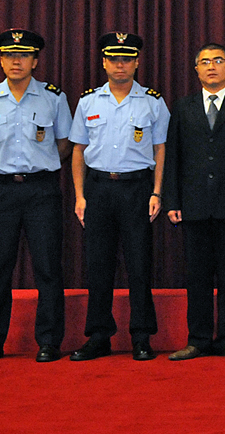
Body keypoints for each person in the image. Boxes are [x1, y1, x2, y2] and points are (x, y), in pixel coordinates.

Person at [0, 28, 72, 363]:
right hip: (2, 192)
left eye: (24, 55)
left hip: (42, 190)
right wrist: (6, 168)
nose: (16, 61)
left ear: (35, 61)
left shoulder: (53, 98)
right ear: (0, 60)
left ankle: (49, 341)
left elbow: (65, 145)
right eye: (10, 55)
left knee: (48, 267)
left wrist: (36, 167)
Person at [68, 32, 170, 361]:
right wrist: (80, 196)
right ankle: (99, 336)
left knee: (139, 264)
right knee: (98, 265)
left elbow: (160, 149)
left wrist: (157, 191)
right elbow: (78, 150)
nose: (120, 65)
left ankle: (141, 335)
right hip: (98, 188)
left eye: (126, 59)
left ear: (137, 62)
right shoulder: (88, 102)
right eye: (114, 59)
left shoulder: (152, 101)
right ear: (104, 62)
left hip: (137, 188)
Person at [163, 43, 225, 361]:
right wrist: (172, 200)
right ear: (196, 69)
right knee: (197, 275)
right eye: (205, 62)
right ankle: (198, 339)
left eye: (218, 60)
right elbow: (173, 156)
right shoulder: (183, 107)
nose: (211, 66)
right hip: (192, 204)